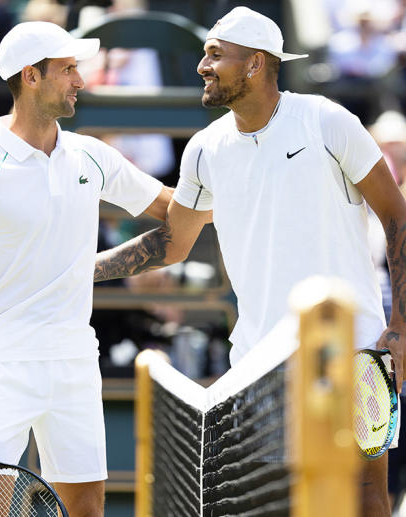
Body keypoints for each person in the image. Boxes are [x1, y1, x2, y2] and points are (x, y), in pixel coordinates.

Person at [92, 7, 406, 515]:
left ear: (256, 63)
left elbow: (396, 215)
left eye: (215, 54)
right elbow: (171, 243)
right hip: (258, 365)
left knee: (367, 495)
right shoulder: (203, 150)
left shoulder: (328, 120)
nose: (202, 65)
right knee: (269, 505)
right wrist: (82, 269)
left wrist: (401, 326)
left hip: (356, 349)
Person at [0, 21, 170, 516]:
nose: (79, 80)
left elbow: (172, 207)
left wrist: (238, 182)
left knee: (87, 503)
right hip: (2, 365)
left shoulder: (92, 155)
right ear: (31, 76)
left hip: (76, 362)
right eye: (67, 69)